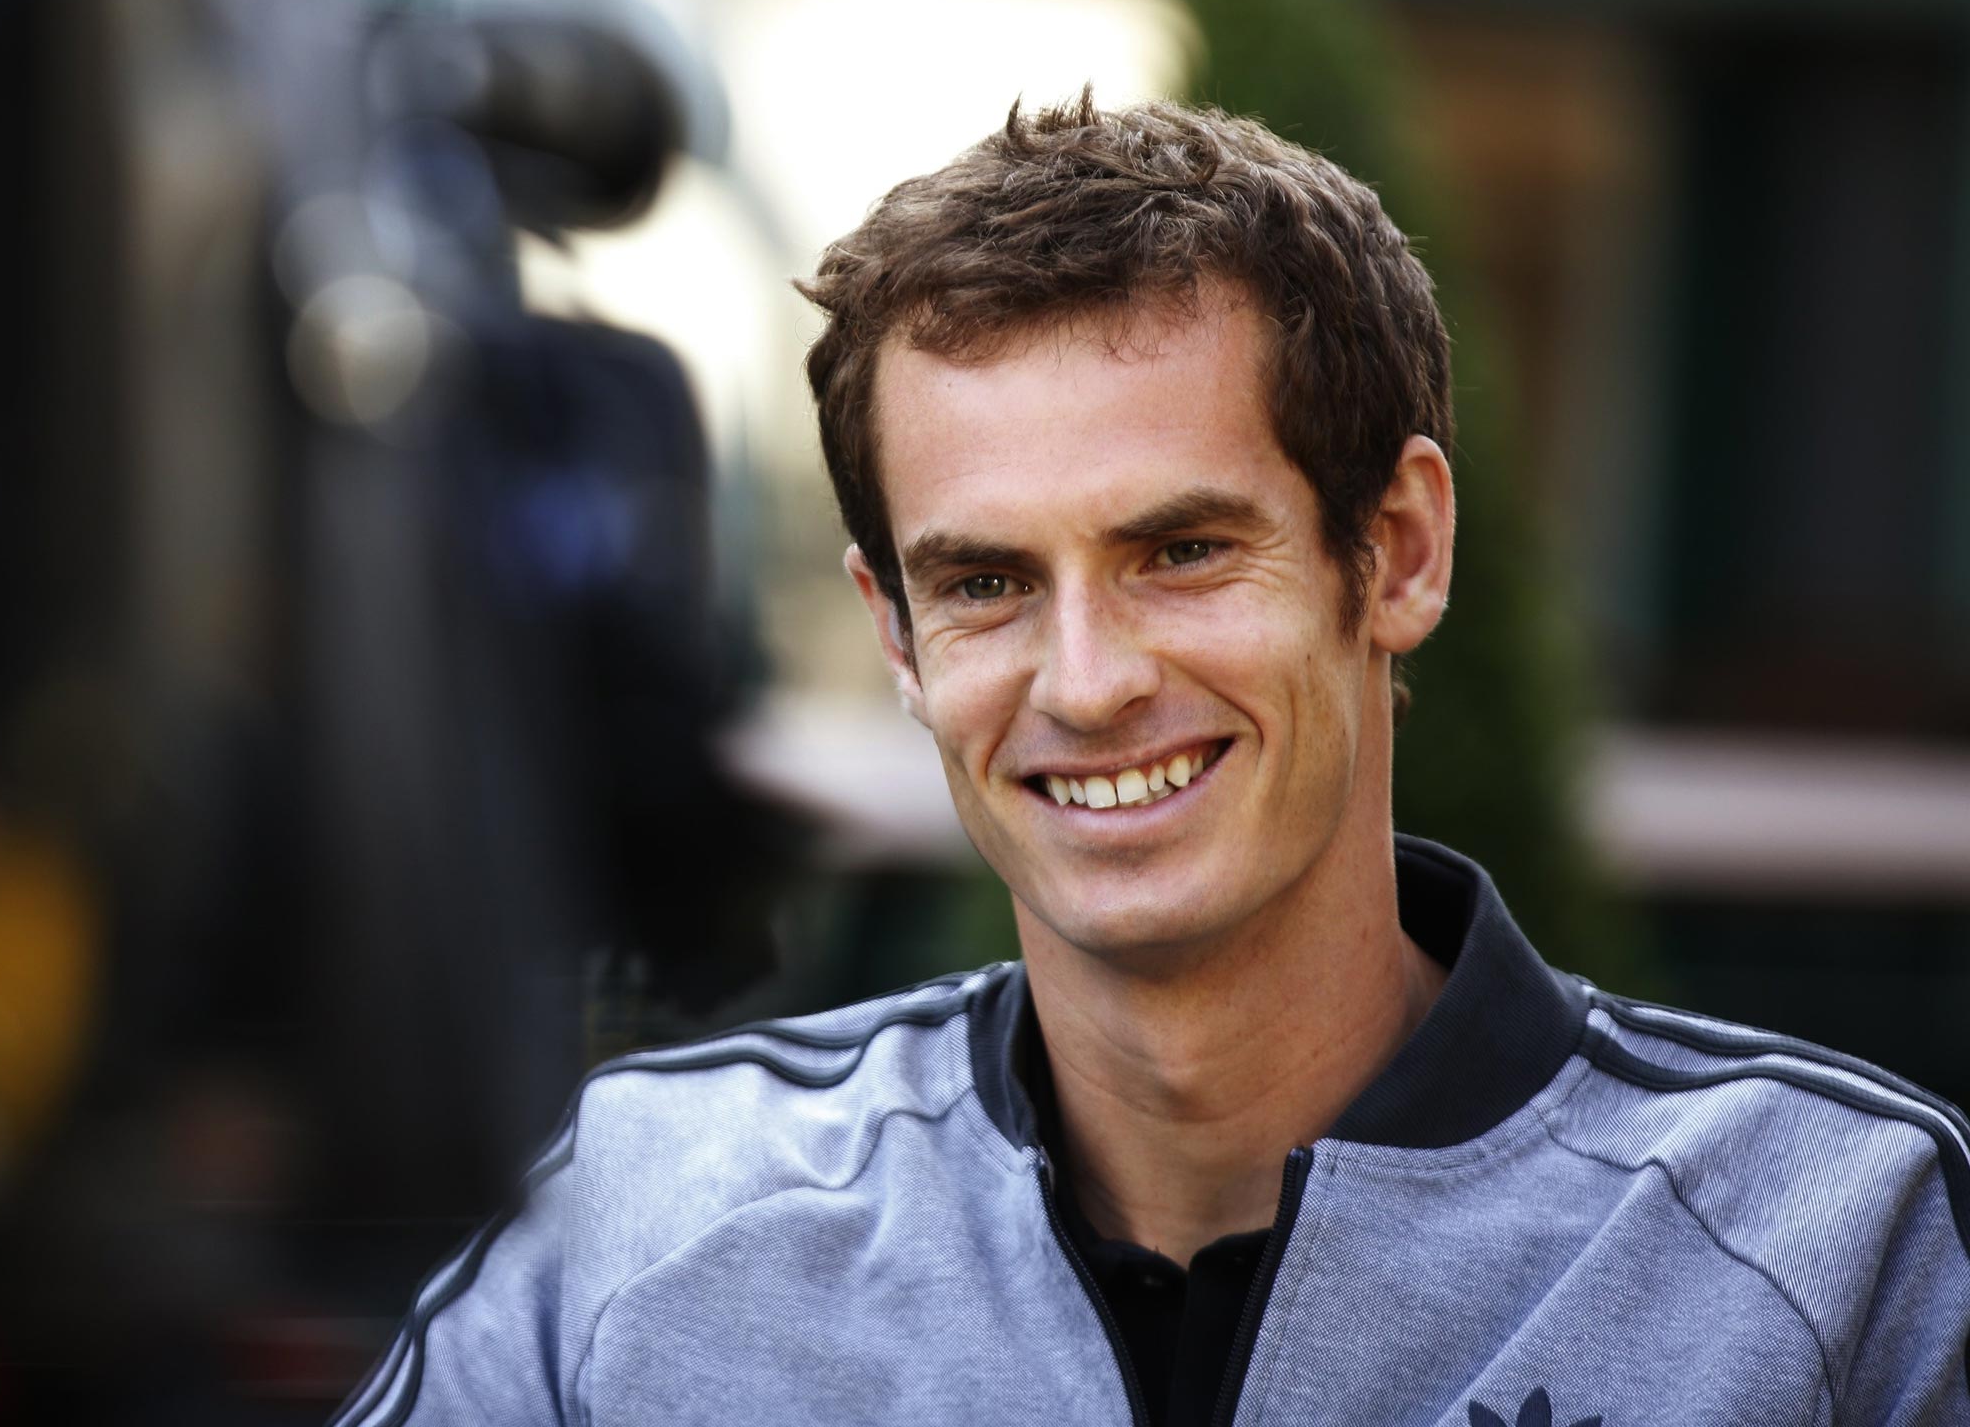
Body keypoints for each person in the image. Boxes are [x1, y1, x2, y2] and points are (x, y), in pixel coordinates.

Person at [331, 94, 1970, 1427]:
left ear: (1394, 552)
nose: (1089, 681)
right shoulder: (653, 1215)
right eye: (982, 584)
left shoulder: (1837, 1250)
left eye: (1181, 551)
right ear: (896, 637)